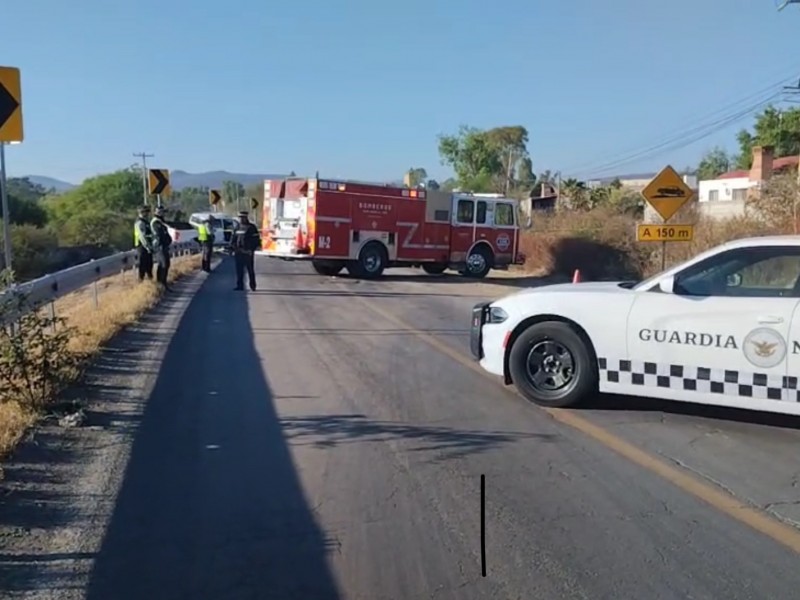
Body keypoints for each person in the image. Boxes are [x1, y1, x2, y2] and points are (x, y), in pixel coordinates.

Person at [230, 210, 261, 291]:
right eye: (240, 218)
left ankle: (252, 286)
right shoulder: (237, 227)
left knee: (250, 269)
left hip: (248, 252)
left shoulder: (251, 227)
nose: (241, 219)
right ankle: (240, 286)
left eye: (243, 218)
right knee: (239, 270)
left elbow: (256, 240)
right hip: (238, 252)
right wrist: (232, 248)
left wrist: (251, 250)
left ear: (246, 218)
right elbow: (233, 239)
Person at [150, 206, 173, 290]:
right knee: (163, 265)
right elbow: (160, 235)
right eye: (162, 212)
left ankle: (164, 283)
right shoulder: (156, 222)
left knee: (166, 264)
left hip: (164, 246)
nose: (163, 213)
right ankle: (160, 284)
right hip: (159, 246)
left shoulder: (161, 221)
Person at [133, 205, 154, 281]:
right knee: (143, 265)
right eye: (146, 212)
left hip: (146, 246)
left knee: (149, 264)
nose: (147, 213)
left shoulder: (146, 222)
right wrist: (148, 247)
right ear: (142, 212)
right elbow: (142, 236)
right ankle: (141, 282)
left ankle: (150, 281)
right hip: (142, 246)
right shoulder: (140, 222)